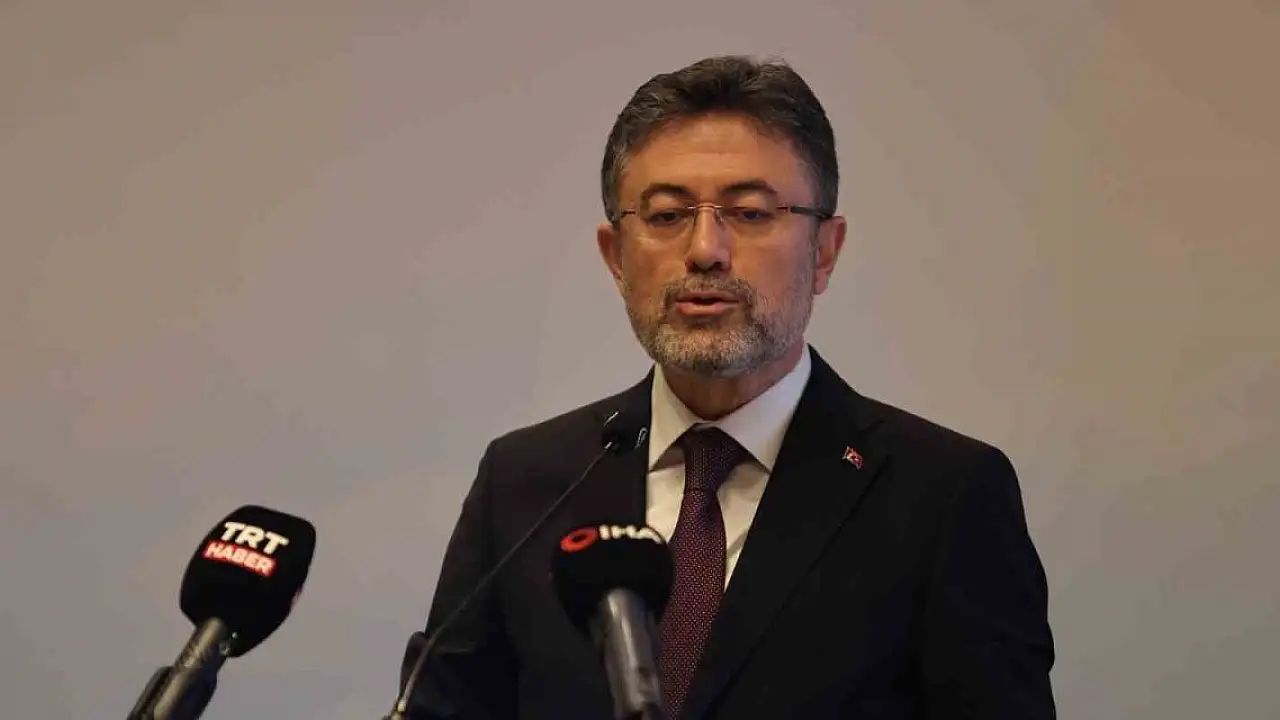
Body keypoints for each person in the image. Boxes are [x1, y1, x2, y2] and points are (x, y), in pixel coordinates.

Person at [401, 55, 1056, 719]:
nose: (705, 250)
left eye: (749, 212)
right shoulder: (525, 483)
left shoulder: (942, 496)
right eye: (666, 216)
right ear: (616, 257)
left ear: (824, 251)